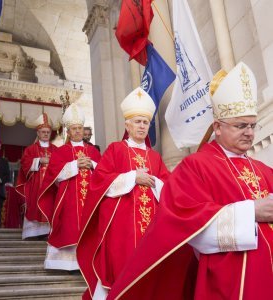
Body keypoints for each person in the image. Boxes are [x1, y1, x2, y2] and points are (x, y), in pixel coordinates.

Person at [107, 62, 273, 300]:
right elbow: (188, 227)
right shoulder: (195, 167)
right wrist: (251, 211)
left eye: (252, 126)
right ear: (217, 126)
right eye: (240, 125)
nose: (249, 132)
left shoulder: (264, 169)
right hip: (229, 283)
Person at [76, 87, 169, 299]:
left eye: (145, 122)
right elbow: (99, 180)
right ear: (127, 124)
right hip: (122, 227)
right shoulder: (116, 149)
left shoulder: (155, 157)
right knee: (122, 271)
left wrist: (155, 183)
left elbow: (169, 185)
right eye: (137, 121)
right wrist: (131, 178)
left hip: (152, 226)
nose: (142, 126)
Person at [38, 103, 101, 271]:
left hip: (91, 199)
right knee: (69, 228)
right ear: (68, 131)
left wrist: (92, 164)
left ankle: (89, 263)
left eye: (80, 128)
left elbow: (104, 172)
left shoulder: (93, 151)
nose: (78, 131)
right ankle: (68, 264)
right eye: (74, 129)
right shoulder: (61, 151)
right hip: (69, 199)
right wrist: (74, 165)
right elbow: (53, 175)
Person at [16, 113, 57, 240]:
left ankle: (47, 233)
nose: (45, 134)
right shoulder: (31, 149)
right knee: (34, 207)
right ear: (38, 133)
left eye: (48, 132)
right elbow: (24, 164)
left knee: (50, 207)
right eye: (43, 132)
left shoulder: (56, 149)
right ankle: (32, 234)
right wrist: (39, 161)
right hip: (35, 186)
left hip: (51, 187)